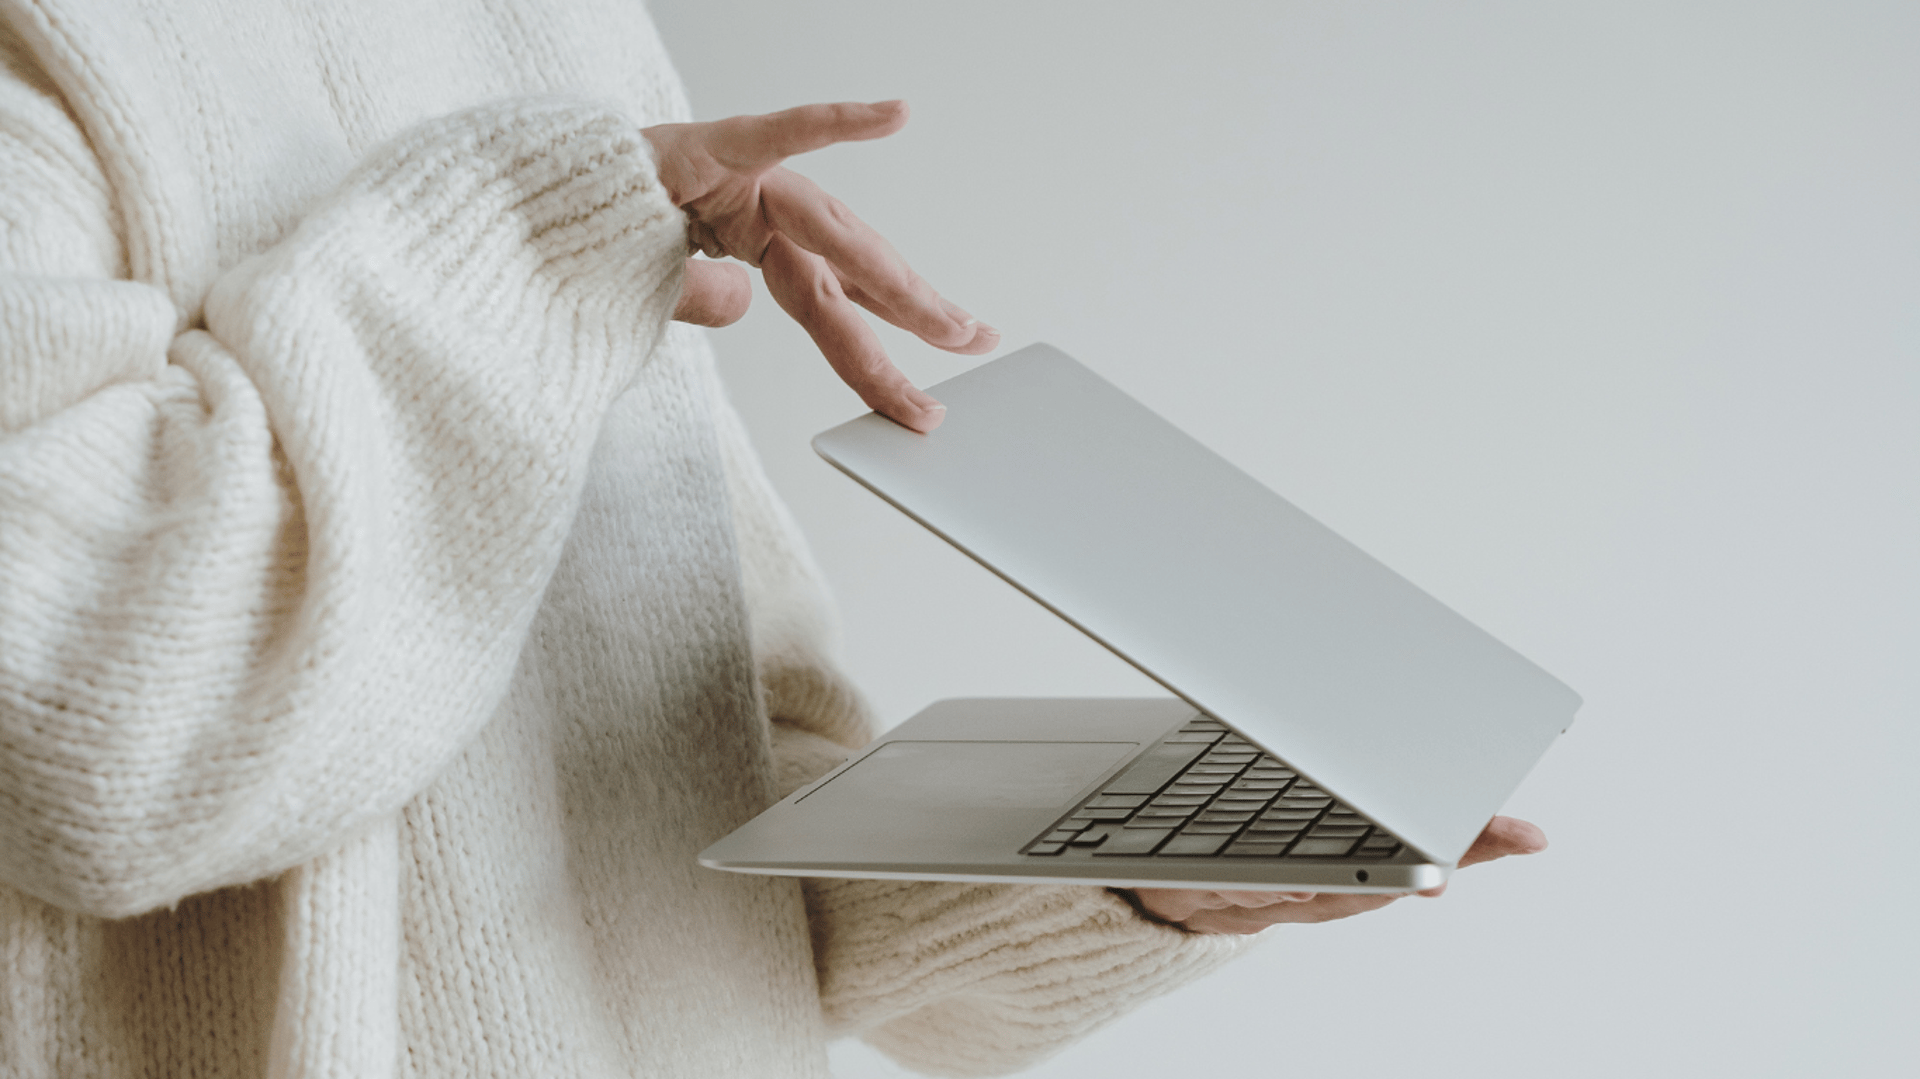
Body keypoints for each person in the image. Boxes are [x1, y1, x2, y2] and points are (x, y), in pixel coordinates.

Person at [0, 1, 1544, 1075]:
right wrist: (535, 241)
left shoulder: (558, 22)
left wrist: (1143, 870)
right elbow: (96, 742)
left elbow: (710, 833)